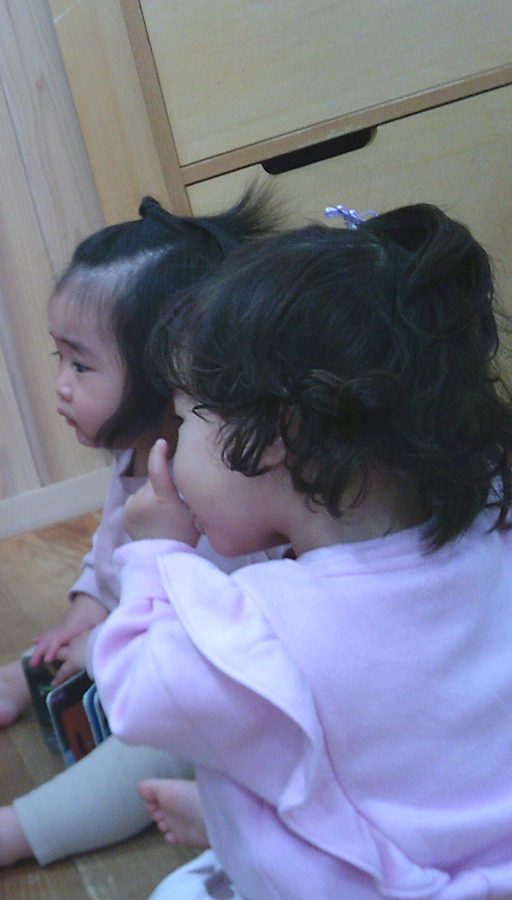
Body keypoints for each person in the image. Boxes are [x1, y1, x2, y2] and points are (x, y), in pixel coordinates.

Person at [94, 203, 512, 897]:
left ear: (272, 436)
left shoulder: (261, 628)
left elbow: (138, 694)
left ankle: (231, 825)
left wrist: (156, 557)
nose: (173, 444)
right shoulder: (491, 533)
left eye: (188, 415)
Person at [0, 193, 279, 899]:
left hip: (225, 679)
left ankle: (3, 833)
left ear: (167, 372)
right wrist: (86, 609)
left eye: (82, 365)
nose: (61, 387)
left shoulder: (229, 485)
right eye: (59, 357)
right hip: (159, 634)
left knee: (153, 750)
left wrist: (104, 645)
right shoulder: (140, 451)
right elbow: (112, 545)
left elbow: (216, 650)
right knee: (66, 643)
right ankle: (13, 684)